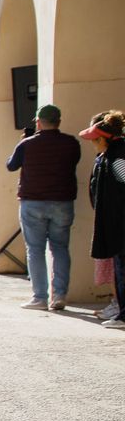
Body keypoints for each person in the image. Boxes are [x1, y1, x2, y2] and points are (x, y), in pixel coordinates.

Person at [7, 104, 82, 311]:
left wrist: (23, 141)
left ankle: (40, 297)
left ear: (38, 122)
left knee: (35, 250)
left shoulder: (27, 144)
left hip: (33, 201)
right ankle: (59, 295)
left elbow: (11, 165)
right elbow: (73, 162)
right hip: (62, 201)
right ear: (59, 121)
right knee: (60, 248)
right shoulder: (71, 143)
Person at [80, 111, 125, 328]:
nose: (92, 144)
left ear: (103, 139)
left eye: (94, 139)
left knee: (123, 270)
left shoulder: (117, 158)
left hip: (120, 225)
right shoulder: (112, 155)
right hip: (117, 224)